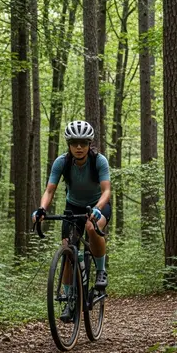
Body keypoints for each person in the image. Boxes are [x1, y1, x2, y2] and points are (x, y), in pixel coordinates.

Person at [32, 120, 111, 295]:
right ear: (69, 145)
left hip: (98, 205)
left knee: (91, 228)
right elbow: (49, 190)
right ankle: (69, 298)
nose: (79, 147)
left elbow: (106, 191)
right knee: (68, 250)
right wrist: (41, 209)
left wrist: (97, 209)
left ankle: (101, 271)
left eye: (83, 143)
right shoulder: (62, 162)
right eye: (74, 143)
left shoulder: (99, 161)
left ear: (89, 144)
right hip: (73, 207)